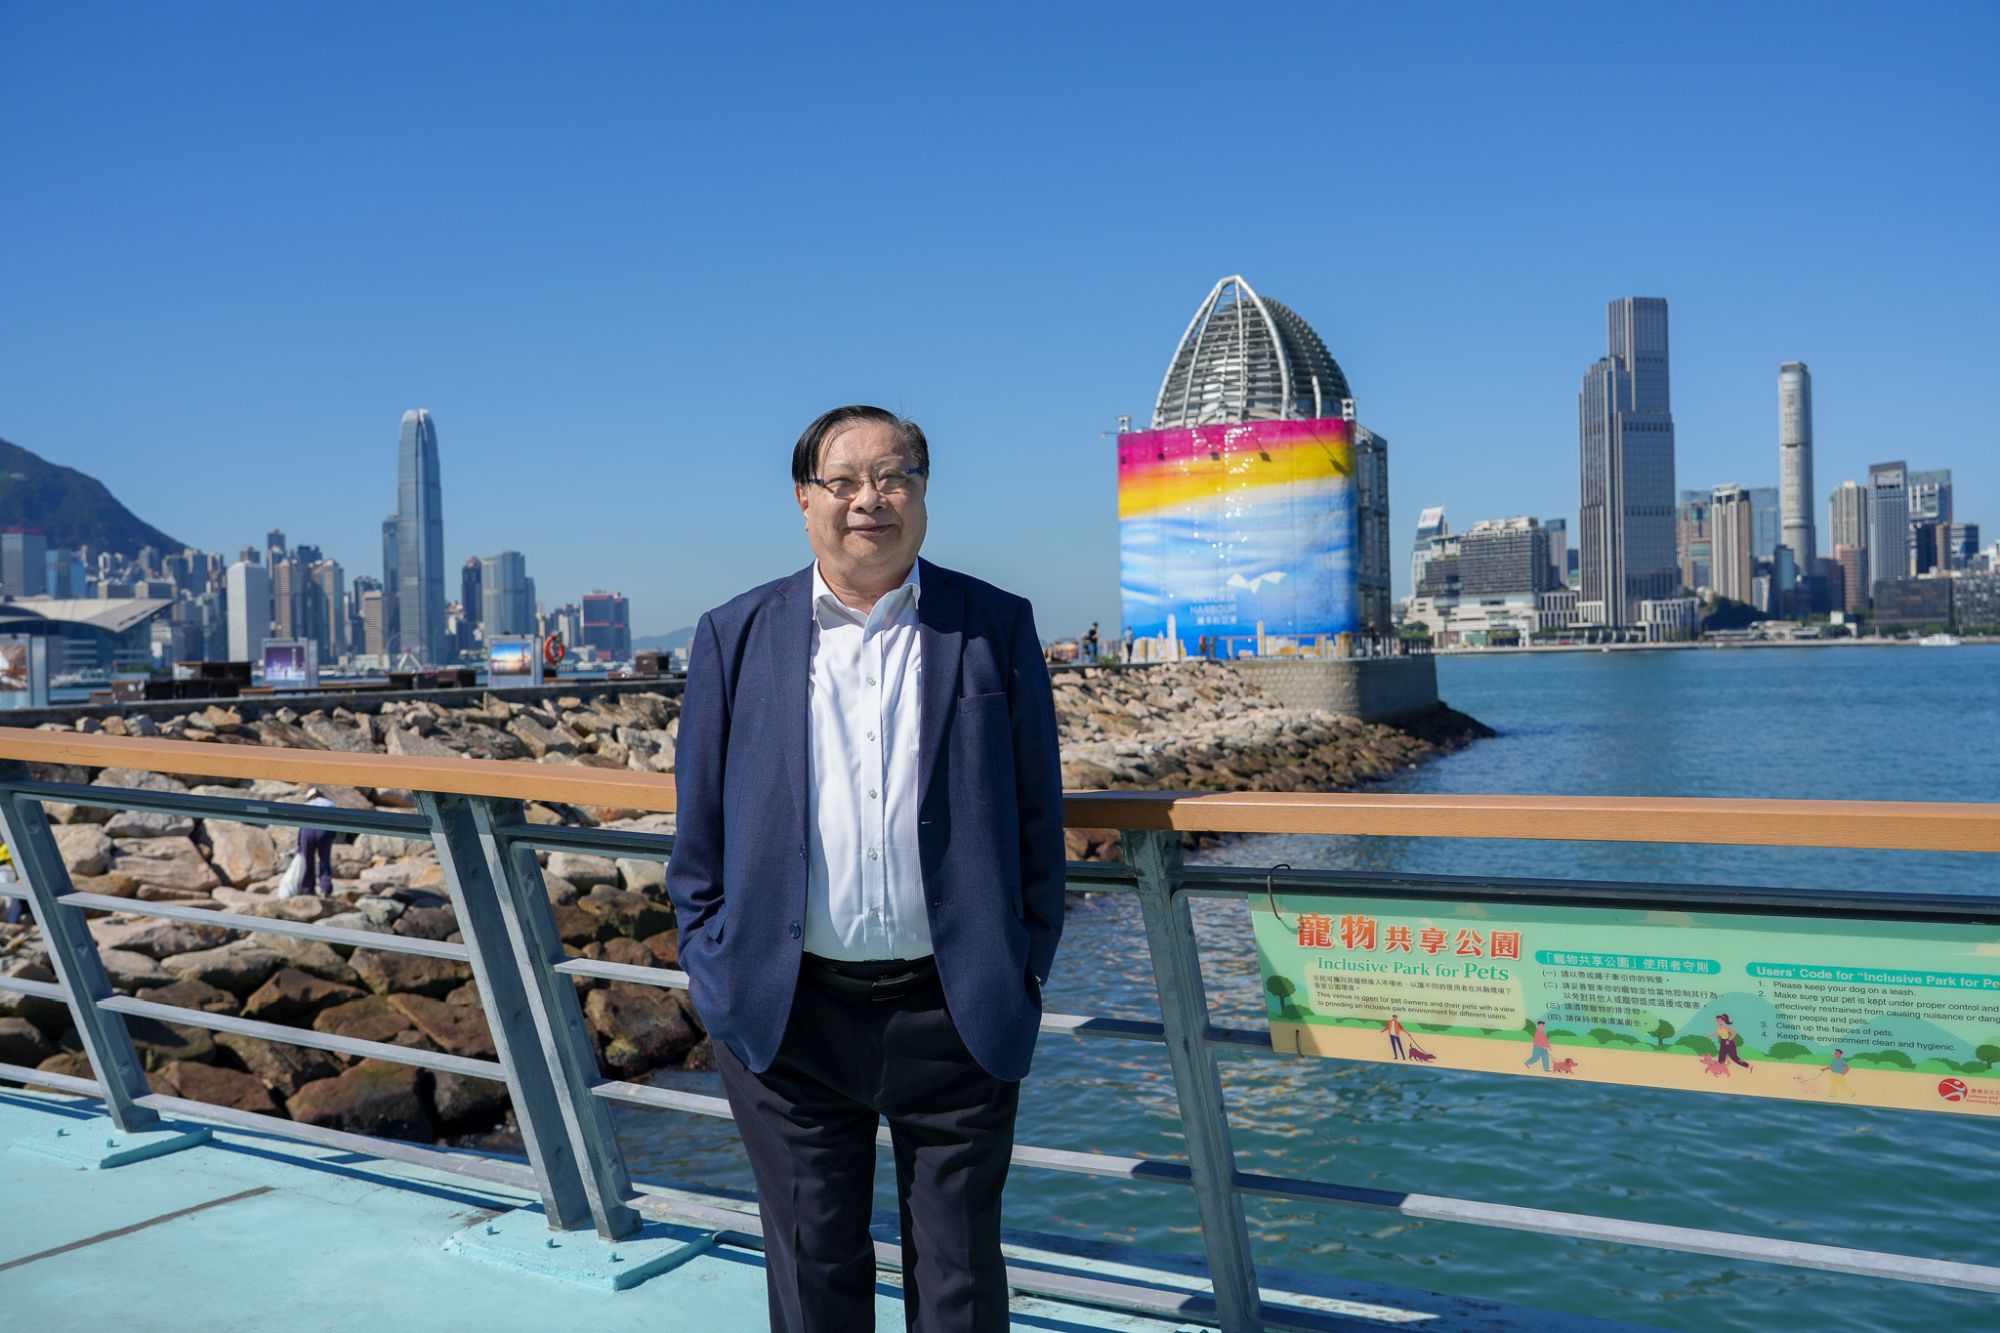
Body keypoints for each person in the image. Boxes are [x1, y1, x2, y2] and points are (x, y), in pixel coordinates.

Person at [666, 404, 1066, 1333]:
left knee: (962, 1284)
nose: (868, 500)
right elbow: (701, 839)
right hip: (787, 1012)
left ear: (923, 496)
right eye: (843, 481)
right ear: (804, 499)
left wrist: (1023, 964)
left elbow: (1038, 822)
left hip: (956, 1008)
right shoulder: (734, 635)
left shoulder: (992, 626)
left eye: (893, 478)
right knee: (814, 1278)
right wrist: (716, 970)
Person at [295, 787, 339, 897]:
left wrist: (299, 844)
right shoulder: (330, 803)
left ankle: (308, 890)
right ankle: (325, 888)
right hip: (324, 830)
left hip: (307, 830)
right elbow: (336, 822)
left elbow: (301, 825)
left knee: (307, 860)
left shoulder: (307, 805)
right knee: (324, 860)